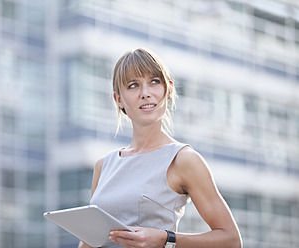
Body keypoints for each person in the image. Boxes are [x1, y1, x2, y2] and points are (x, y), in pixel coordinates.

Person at [78, 48, 242, 248]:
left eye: (154, 82)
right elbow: (89, 242)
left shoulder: (183, 159)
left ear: (169, 90)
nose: (145, 93)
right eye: (133, 85)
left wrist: (167, 239)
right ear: (118, 99)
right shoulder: (103, 165)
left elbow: (231, 240)